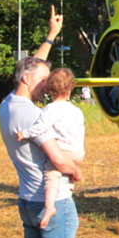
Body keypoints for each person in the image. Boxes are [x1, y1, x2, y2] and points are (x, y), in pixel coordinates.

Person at [0, 6, 83, 238]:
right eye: (44, 79)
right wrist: (75, 170)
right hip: (53, 202)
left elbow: (32, 67)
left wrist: (51, 36)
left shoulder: (8, 105)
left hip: (27, 200)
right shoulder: (34, 114)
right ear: (28, 79)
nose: (48, 85)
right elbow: (59, 161)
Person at [16, 67, 85, 229]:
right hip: (78, 152)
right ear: (70, 90)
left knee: (51, 175)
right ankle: (69, 188)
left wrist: (24, 133)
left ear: (49, 90)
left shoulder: (49, 109)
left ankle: (49, 207)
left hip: (64, 152)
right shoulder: (76, 110)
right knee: (65, 176)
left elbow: (40, 128)